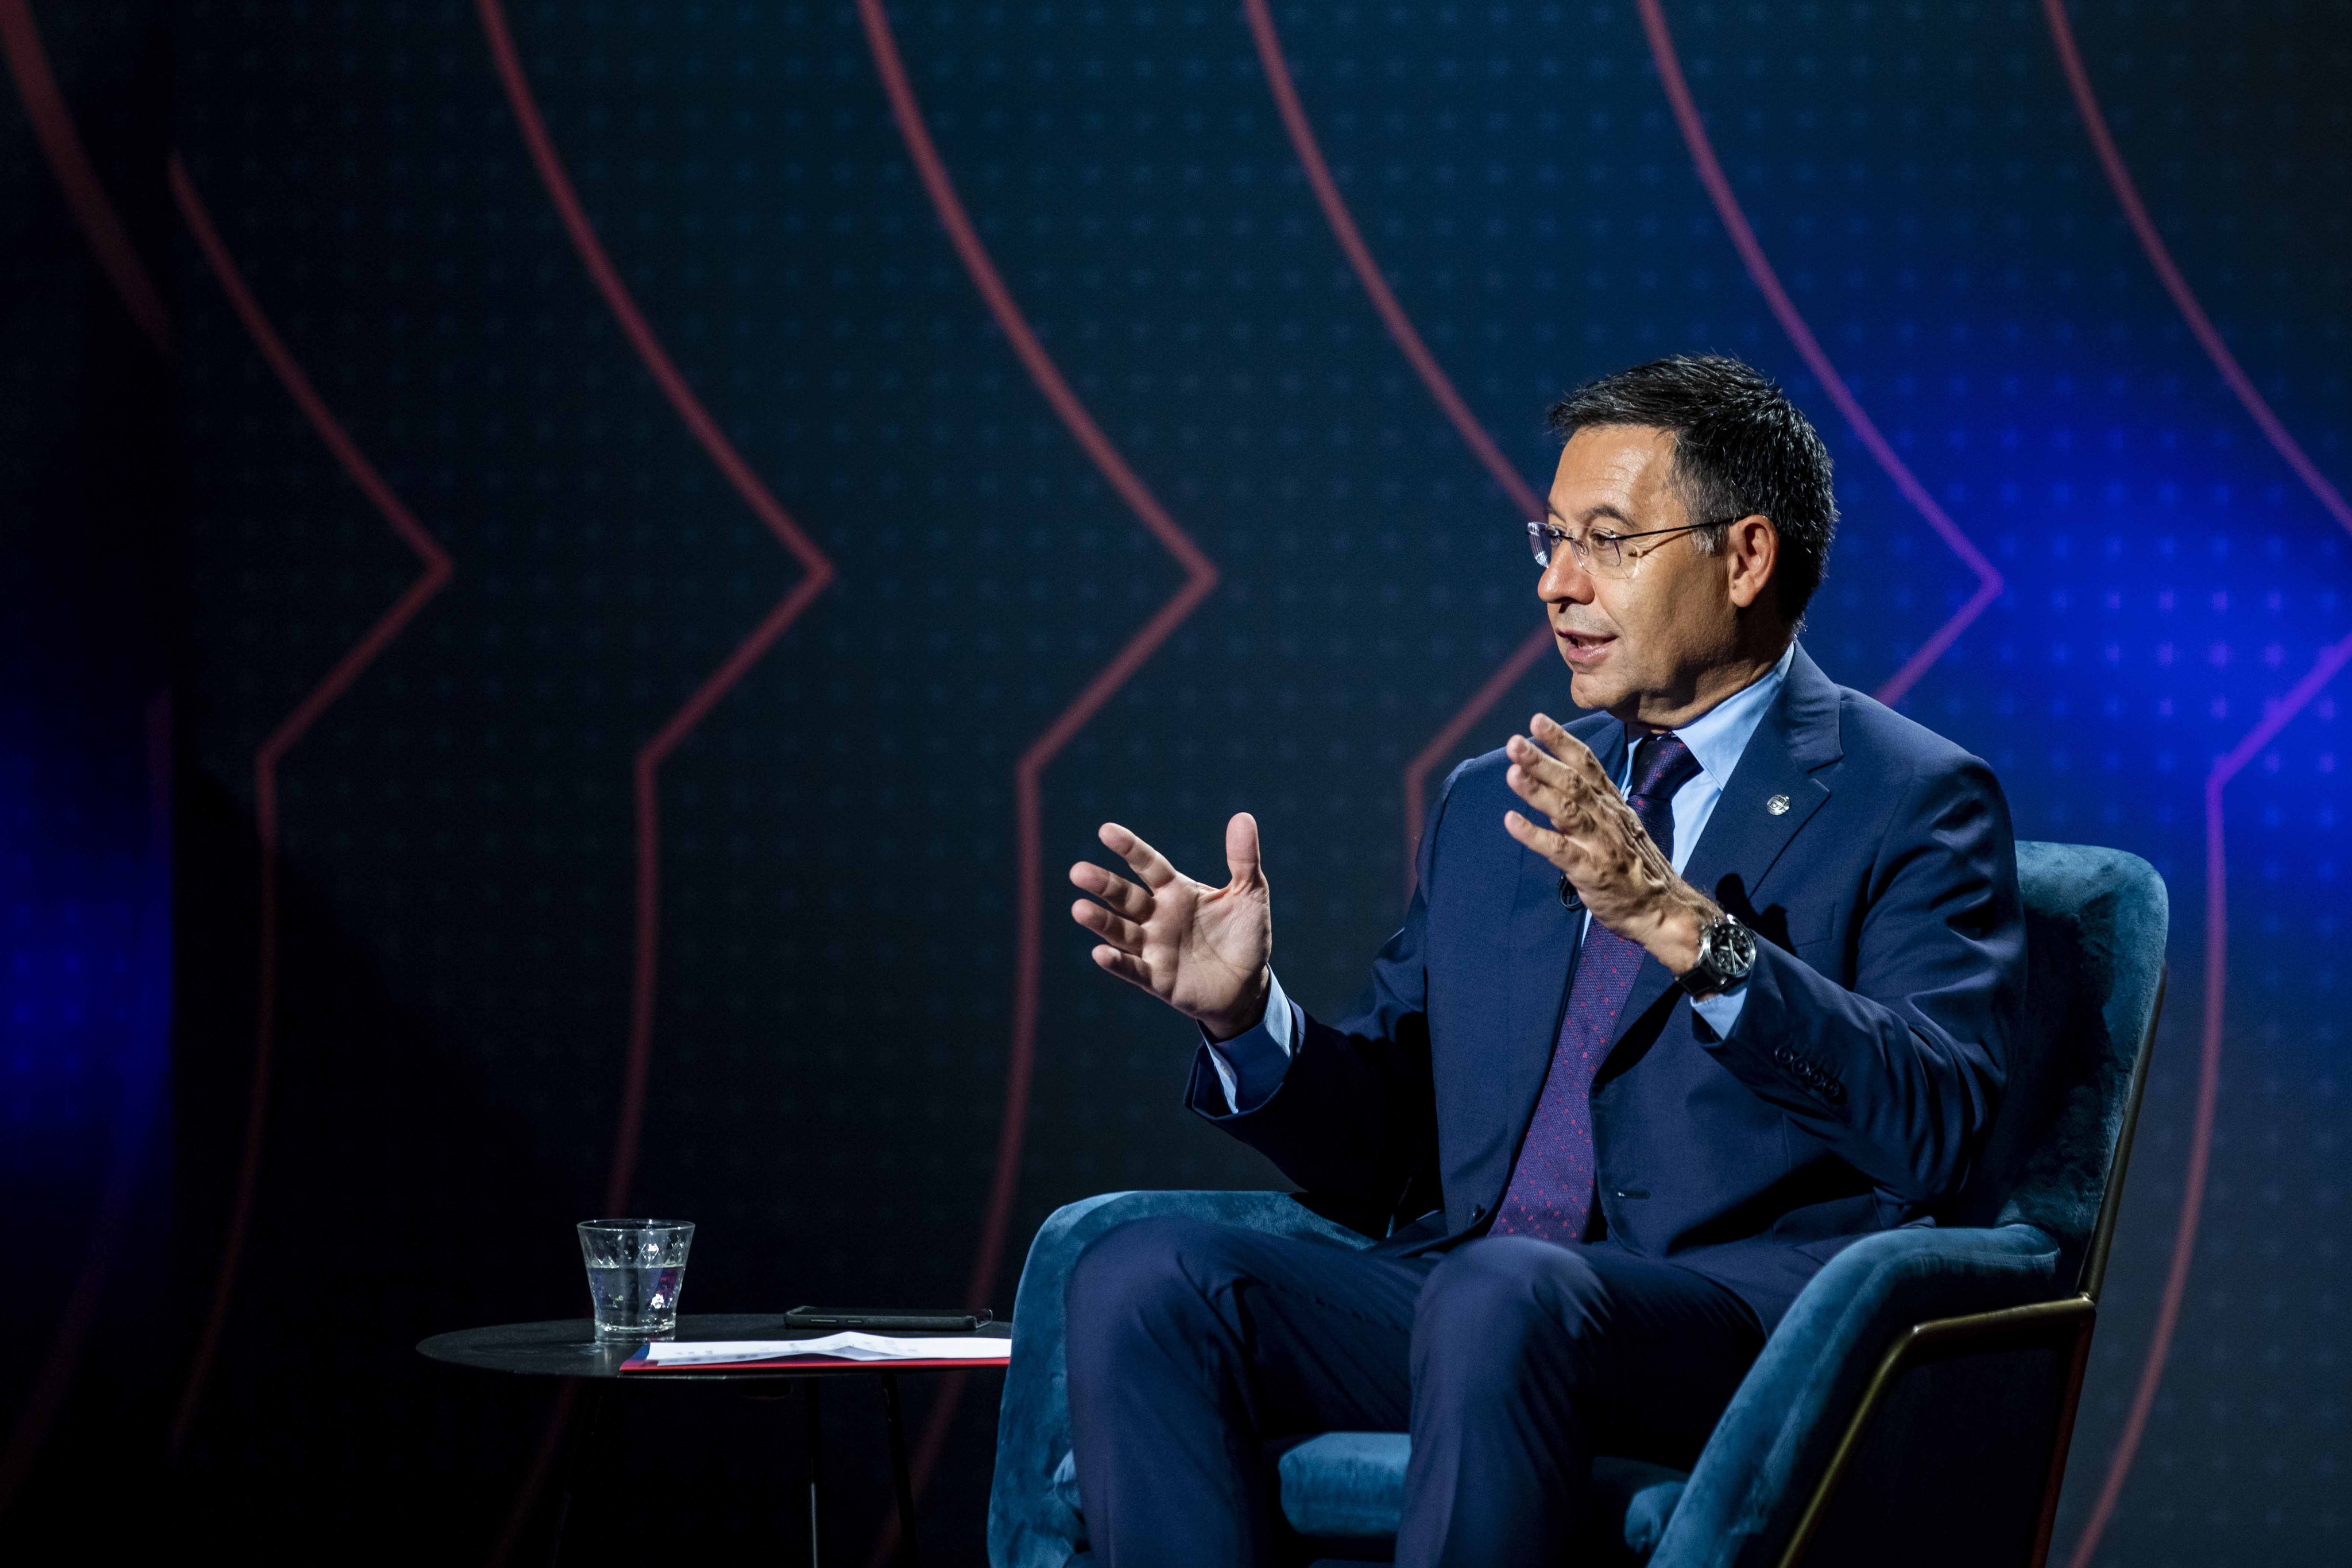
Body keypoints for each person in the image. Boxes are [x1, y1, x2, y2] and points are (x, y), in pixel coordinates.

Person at [1059, 355, 2024, 1567]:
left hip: (1725, 1317)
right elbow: (1390, 1155)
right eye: (1549, 538)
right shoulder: (1496, 798)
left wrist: (1680, 926)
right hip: (1473, 1296)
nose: (1557, 585)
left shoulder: (1909, 797)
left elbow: (1934, 1121)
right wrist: (1249, 1020)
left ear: (1743, 556)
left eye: (1608, 541)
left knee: (1501, 1292)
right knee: (1142, 1277)